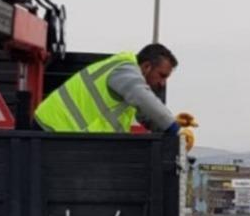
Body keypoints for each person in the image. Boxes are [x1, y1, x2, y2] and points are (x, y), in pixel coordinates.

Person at [34, 43, 197, 150]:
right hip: (52, 131)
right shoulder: (125, 70)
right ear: (147, 66)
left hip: (61, 135)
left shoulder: (126, 83)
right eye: (162, 75)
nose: (163, 83)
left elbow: (145, 116)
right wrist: (175, 130)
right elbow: (143, 98)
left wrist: (171, 123)